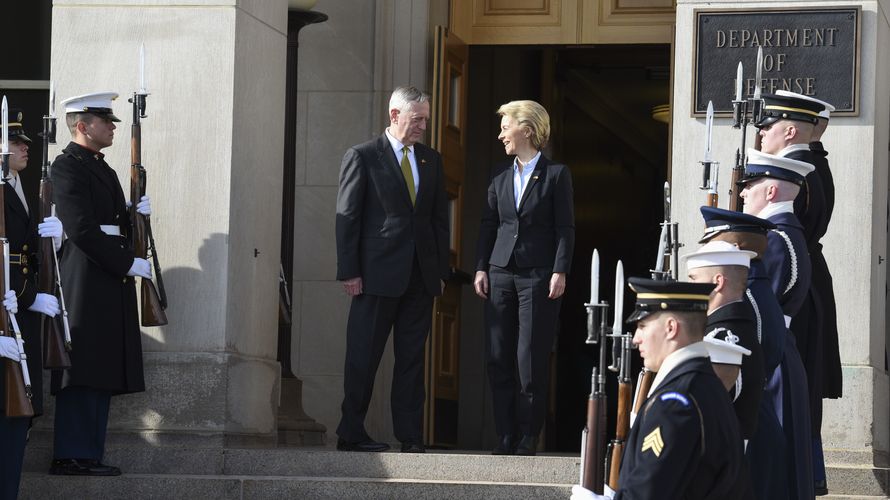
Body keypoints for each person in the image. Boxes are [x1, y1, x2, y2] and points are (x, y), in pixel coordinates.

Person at [335, 86, 450, 454]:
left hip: (420, 276)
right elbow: (347, 218)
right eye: (417, 119)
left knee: (412, 359)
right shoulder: (363, 156)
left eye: (426, 120)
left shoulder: (432, 159)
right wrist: (349, 271)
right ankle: (351, 431)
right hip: (374, 275)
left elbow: (438, 220)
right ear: (394, 115)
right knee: (363, 356)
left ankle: (411, 435)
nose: (422, 127)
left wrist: (441, 271)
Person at [48, 92, 153, 476]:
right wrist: (126, 261)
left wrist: (134, 215)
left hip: (107, 273)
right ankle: (70, 453)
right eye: (104, 120)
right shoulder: (66, 167)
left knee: (103, 364)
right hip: (86, 272)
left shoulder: (101, 167)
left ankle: (88, 451)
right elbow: (79, 227)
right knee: (83, 364)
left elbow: (106, 219)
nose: (111, 126)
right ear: (82, 125)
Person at [571, 279, 752, 500]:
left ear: (671, 328)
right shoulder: (705, 385)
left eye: (642, 326)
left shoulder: (674, 404)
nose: (636, 339)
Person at [473, 100, 574, 456]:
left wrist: (560, 269)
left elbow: (565, 227)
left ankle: (529, 435)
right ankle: (505, 435)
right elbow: (489, 224)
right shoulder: (499, 176)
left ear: (527, 130)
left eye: (506, 127)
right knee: (499, 355)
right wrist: (481, 267)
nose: (501, 134)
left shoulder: (557, 175)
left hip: (538, 274)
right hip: (500, 273)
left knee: (529, 357)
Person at [697, 206, 815, 500]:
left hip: (751, 424)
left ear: (735, 250)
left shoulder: (747, 296)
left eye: (713, 246)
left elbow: (746, 365)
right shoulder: (756, 290)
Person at [769, 90, 841, 495]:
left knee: (794, 386)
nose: (763, 134)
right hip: (812, 279)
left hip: (798, 281)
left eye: (770, 126)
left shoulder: (796, 170)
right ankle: (807, 475)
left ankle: (800, 476)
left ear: (790, 129)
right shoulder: (812, 162)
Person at [739, 151, 817, 499]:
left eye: (750, 184)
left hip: (771, 362)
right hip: (780, 359)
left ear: (770, 192)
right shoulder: (785, 235)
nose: (743, 193)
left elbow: (760, 310)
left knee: (774, 471)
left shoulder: (776, 239)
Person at [0, 108, 63, 498]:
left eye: (24, 141)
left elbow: (23, 252)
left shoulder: (19, 187)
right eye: (14, 141)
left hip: (18, 316)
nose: (24, 146)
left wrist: (56, 241)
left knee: (16, 419)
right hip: (7, 315)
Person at [683, 240, 763, 441]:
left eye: (693, 279)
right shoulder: (739, 326)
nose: (688, 287)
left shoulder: (720, 337)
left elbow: (701, 413)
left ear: (718, 282)